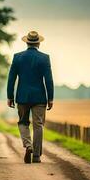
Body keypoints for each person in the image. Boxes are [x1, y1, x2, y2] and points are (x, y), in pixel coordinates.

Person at [7, 31, 54, 164]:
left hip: (22, 96)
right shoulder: (44, 58)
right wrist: (50, 98)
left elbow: (11, 79)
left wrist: (10, 96)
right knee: (38, 125)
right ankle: (37, 156)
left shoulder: (17, 57)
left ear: (26, 42)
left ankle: (28, 146)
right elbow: (49, 80)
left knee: (23, 122)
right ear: (38, 43)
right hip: (39, 97)